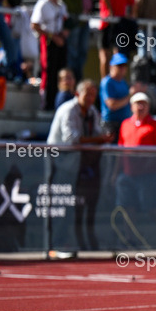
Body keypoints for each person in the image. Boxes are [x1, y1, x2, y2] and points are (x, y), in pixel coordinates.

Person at [47, 79, 112, 251]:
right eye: (87, 94)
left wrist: (103, 138)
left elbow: (98, 133)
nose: (90, 98)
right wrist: (100, 139)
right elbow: (72, 140)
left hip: (80, 167)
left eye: (93, 95)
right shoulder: (68, 110)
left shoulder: (92, 111)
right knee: (63, 205)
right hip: (60, 165)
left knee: (79, 205)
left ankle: (82, 241)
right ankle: (56, 244)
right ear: (77, 94)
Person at [116, 92, 156, 241]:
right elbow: (119, 152)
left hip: (148, 175)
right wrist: (114, 173)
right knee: (128, 207)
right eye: (138, 103)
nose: (141, 107)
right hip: (128, 174)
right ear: (131, 106)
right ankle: (130, 238)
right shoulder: (125, 124)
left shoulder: (155, 125)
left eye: (144, 103)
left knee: (152, 207)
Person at [31, 0, 69, 110]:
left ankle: (59, 101)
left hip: (60, 39)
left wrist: (64, 34)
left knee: (61, 71)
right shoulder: (43, 4)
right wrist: (52, 37)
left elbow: (66, 21)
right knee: (49, 71)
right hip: (48, 41)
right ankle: (47, 103)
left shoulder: (62, 5)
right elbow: (35, 24)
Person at [56, 0, 92, 81]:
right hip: (74, 19)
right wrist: (75, 12)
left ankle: (78, 76)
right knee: (73, 51)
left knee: (82, 51)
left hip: (84, 19)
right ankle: (71, 78)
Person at [97, 0, 136, 78]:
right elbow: (133, 3)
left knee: (104, 55)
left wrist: (110, 11)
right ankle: (117, 79)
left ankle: (105, 81)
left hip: (106, 23)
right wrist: (131, 15)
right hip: (120, 24)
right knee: (118, 54)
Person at [100, 52, 132, 138]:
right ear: (111, 67)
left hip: (124, 123)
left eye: (124, 65)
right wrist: (129, 96)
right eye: (119, 65)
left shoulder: (123, 82)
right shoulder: (107, 82)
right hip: (111, 125)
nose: (122, 68)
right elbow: (112, 105)